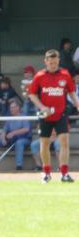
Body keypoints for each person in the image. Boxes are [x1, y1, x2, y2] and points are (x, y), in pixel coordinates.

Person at [28, 49, 79, 183]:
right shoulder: (39, 76)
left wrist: (77, 104)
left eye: (55, 63)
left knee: (64, 142)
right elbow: (32, 95)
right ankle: (46, 173)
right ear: (46, 61)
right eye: (51, 63)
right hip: (45, 115)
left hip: (61, 114)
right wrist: (42, 107)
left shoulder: (65, 74)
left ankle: (64, 173)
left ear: (58, 61)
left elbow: (72, 92)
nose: (53, 65)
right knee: (44, 143)